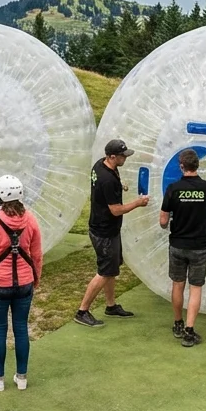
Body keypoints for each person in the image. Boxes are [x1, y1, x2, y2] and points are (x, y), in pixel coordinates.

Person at [0, 175, 43, 391]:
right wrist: (36, 277)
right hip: (24, 282)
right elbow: (37, 254)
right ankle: (21, 377)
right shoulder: (31, 220)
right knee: (21, 328)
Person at [159, 150, 206, 347]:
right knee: (196, 288)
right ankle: (189, 332)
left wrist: (172, 219)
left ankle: (178, 324)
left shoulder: (173, 188)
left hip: (178, 245)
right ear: (197, 165)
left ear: (181, 166)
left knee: (177, 285)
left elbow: (163, 221)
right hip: (199, 246)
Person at [75, 139, 148, 327]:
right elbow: (116, 210)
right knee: (105, 272)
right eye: (123, 156)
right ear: (112, 156)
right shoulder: (107, 179)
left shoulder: (100, 165)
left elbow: (105, 189)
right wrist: (138, 203)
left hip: (107, 228)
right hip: (104, 231)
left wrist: (120, 186)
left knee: (111, 270)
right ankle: (82, 311)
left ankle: (111, 305)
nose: (126, 158)